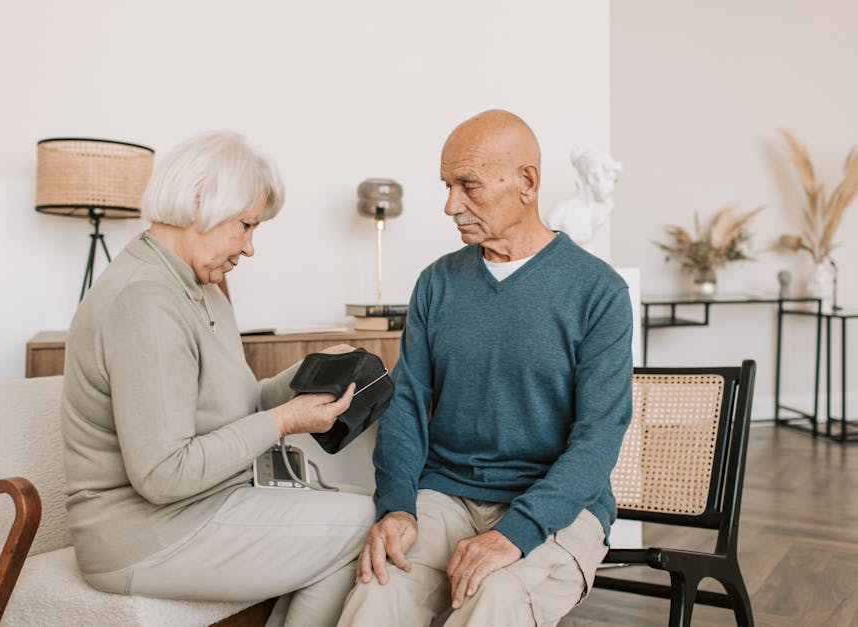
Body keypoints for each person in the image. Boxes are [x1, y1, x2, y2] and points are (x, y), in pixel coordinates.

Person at [61, 130, 375, 626]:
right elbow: (164, 475)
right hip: (143, 534)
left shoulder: (198, 286)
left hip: (204, 505)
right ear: (199, 204)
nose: (249, 248)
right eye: (246, 225)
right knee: (363, 523)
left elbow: (234, 404)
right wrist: (285, 422)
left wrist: (310, 372)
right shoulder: (145, 301)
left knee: (360, 509)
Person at [338, 110, 633, 627]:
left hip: (555, 505)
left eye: (467, 185)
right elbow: (405, 406)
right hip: (447, 493)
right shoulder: (437, 283)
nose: (451, 205)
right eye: (448, 186)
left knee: (493, 595)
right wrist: (397, 507)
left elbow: (599, 437)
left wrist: (517, 532)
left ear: (527, 182)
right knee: (376, 587)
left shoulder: (598, 291)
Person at [546, 147, 622, 257]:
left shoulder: (606, 206)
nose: (612, 187)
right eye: (609, 179)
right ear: (592, 178)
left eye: (614, 181)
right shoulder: (558, 215)